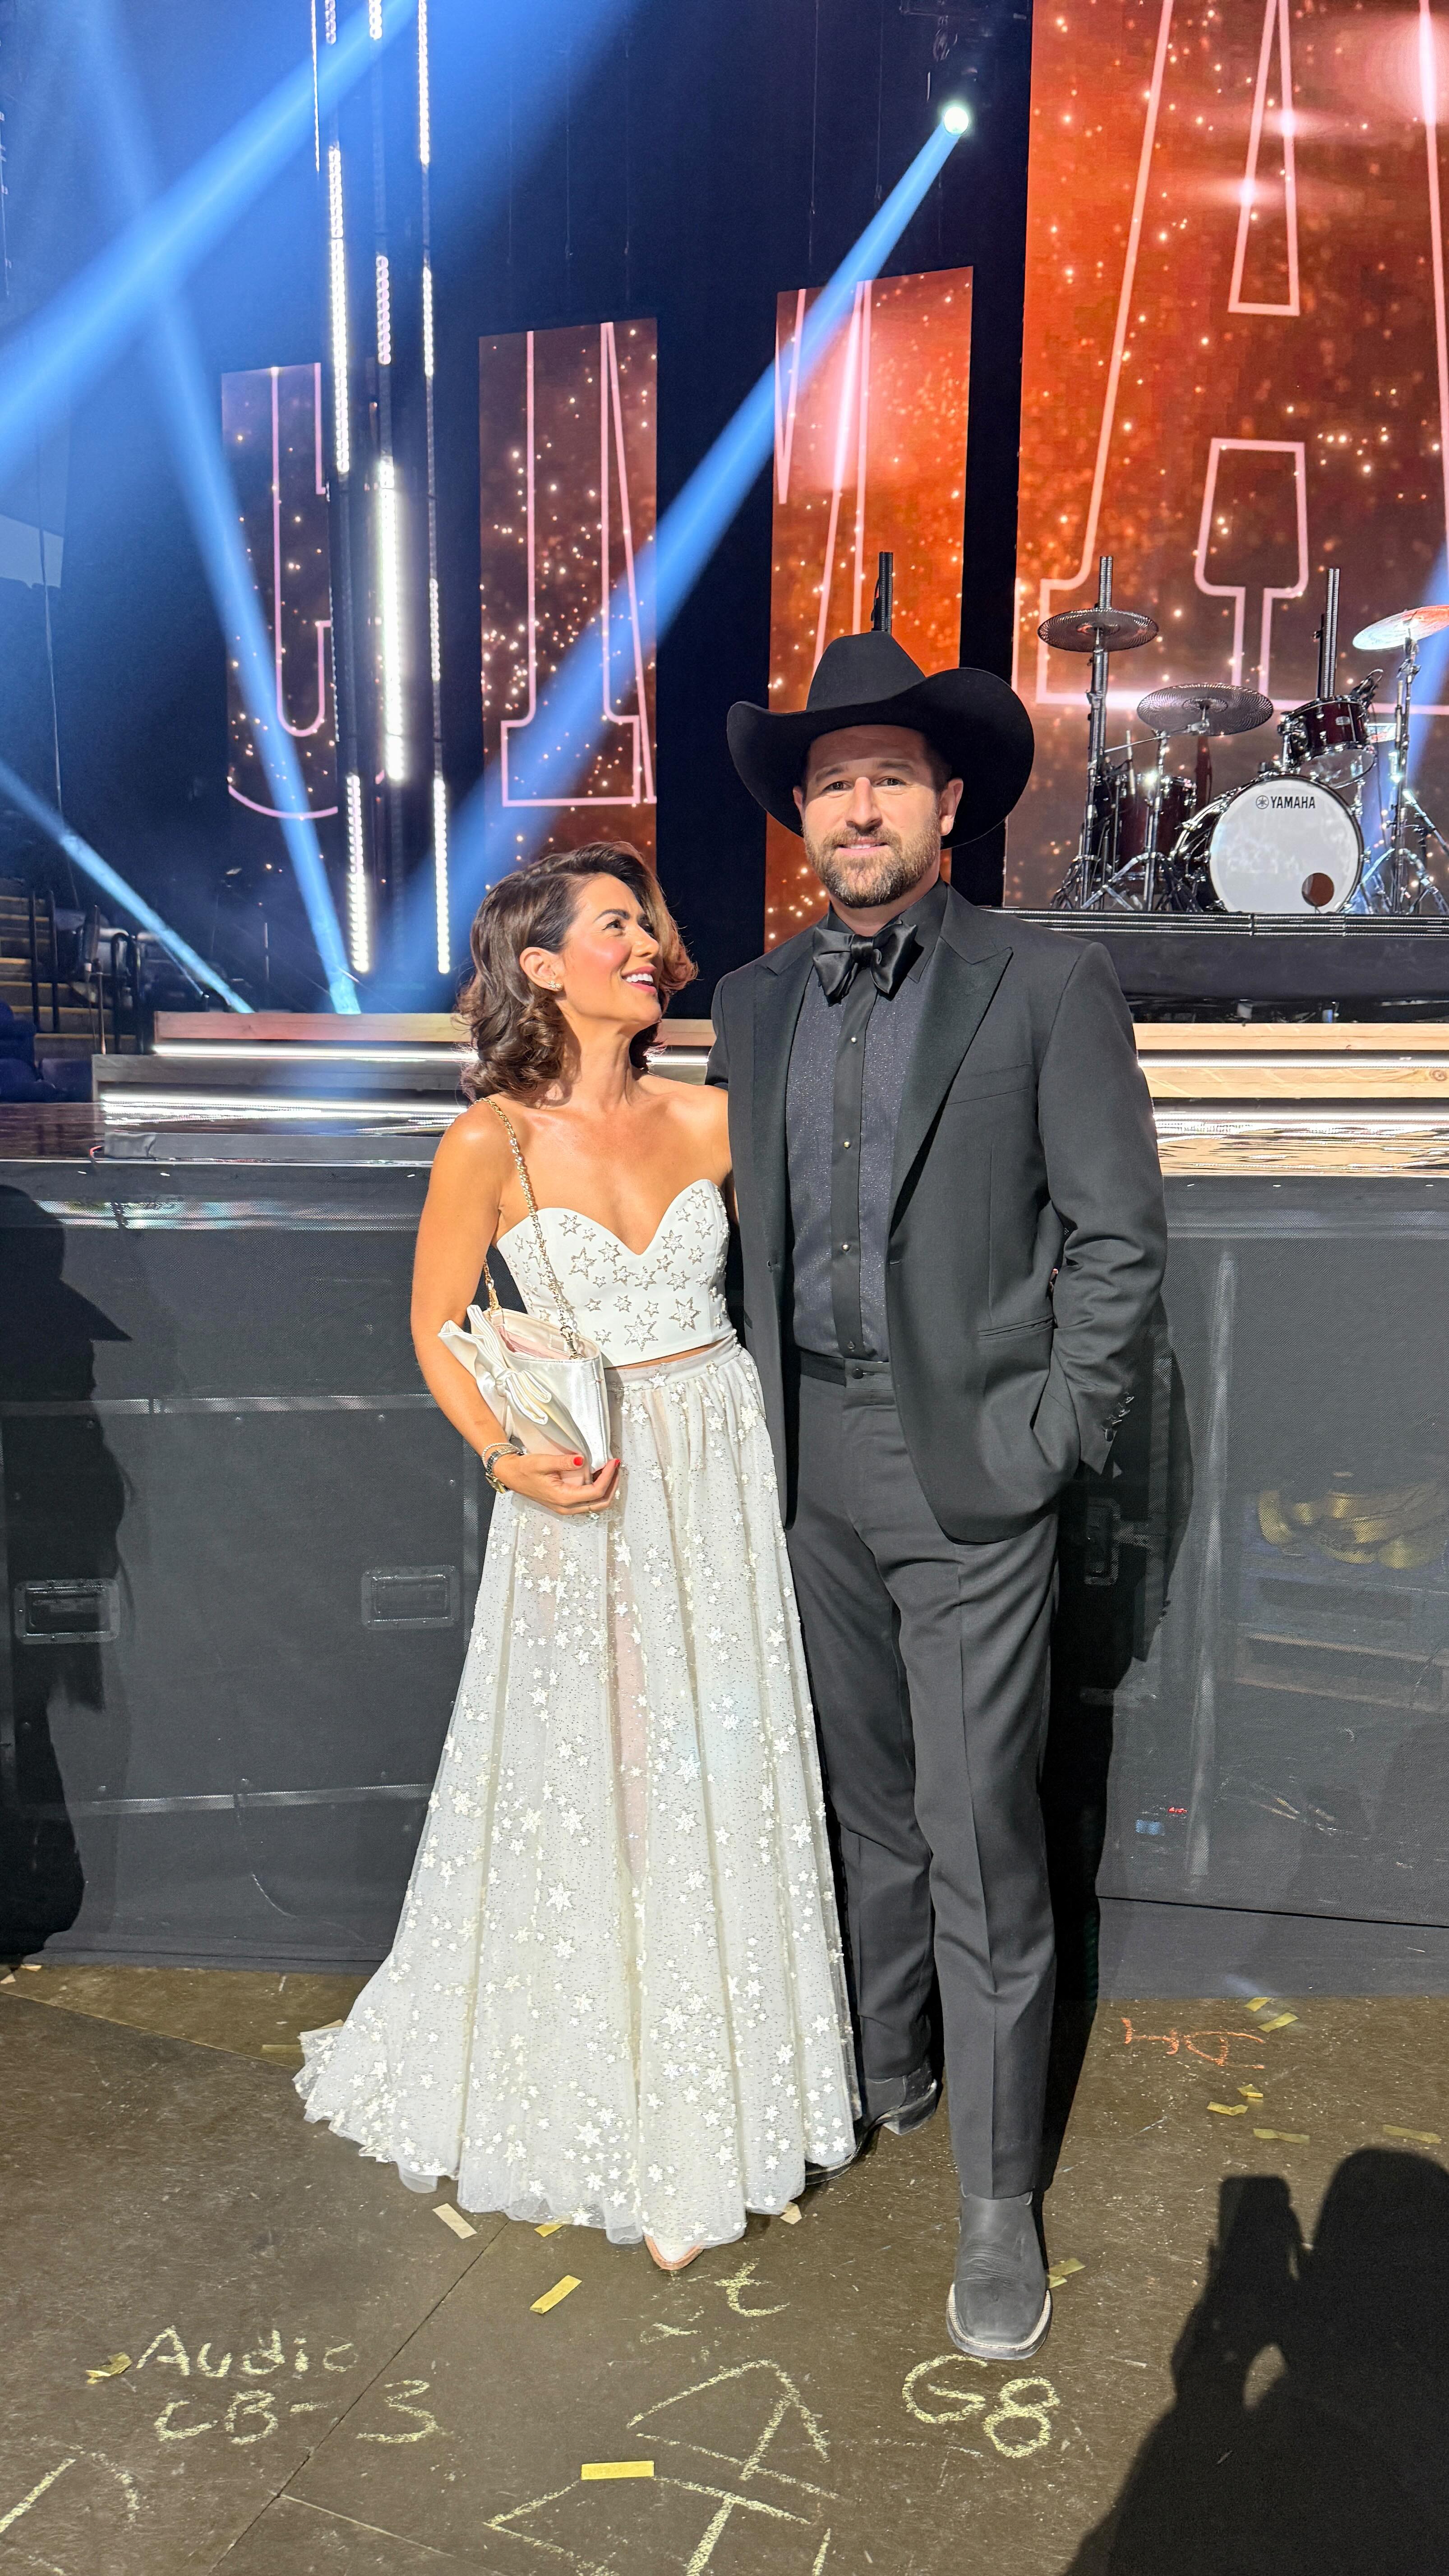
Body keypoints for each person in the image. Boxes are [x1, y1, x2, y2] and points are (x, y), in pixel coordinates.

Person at [296, 842, 856, 2271]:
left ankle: (720, 2099)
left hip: (716, 1471)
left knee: (714, 1765)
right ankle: (618, 2106)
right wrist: (504, 1456)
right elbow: (434, 1324)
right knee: (600, 1773)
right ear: (541, 966)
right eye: (617, 924)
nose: (650, 944)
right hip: (582, 1494)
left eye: (649, 923)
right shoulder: (486, 1142)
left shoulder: (716, 1117)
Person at [713, 627, 1167, 2358]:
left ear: (948, 802)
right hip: (800, 1463)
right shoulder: (750, 1003)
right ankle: (886, 2063)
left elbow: (1116, 1239)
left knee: (981, 1836)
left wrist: (1050, 1433)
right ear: (801, 816)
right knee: (862, 1809)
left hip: (969, 1464)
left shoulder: (1045, 983)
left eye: (888, 778)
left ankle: (993, 2200)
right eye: (832, 784)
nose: (857, 810)